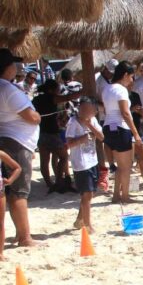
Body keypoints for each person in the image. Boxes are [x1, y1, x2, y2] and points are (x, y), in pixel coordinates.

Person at [0, 49, 41, 248]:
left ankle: (20, 234)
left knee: (14, 190)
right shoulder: (7, 89)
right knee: (19, 191)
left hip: (11, 139)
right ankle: (25, 237)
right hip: (17, 141)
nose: (15, 68)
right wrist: (38, 116)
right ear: (6, 68)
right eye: (13, 65)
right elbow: (31, 117)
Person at [102, 61, 142, 205]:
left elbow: (107, 111)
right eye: (131, 77)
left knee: (119, 166)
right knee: (126, 167)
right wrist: (136, 133)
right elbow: (125, 113)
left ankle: (115, 196)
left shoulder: (107, 88)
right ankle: (124, 196)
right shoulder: (121, 90)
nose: (131, 80)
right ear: (125, 75)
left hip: (108, 127)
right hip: (121, 128)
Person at [32, 79, 81, 192]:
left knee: (44, 160)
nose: (59, 91)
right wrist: (83, 91)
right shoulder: (52, 98)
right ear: (51, 90)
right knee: (64, 157)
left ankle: (49, 184)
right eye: (57, 89)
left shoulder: (36, 99)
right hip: (52, 132)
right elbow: (69, 97)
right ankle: (59, 181)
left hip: (40, 132)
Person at [65, 97, 102, 233]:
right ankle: (87, 225)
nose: (85, 111)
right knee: (86, 194)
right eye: (83, 108)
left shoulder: (92, 120)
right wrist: (82, 139)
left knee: (90, 193)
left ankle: (80, 219)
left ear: (94, 111)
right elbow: (68, 143)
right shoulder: (73, 123)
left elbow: (101, 137)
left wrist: (90, 125)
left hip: (93, 160)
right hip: (81, 163)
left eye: (88, 109)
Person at [0, 148, 22, 260]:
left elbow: (17, 168)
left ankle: (0, 253)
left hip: (0, 193)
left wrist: (10, 180)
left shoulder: (1, 154)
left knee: (0, 223)